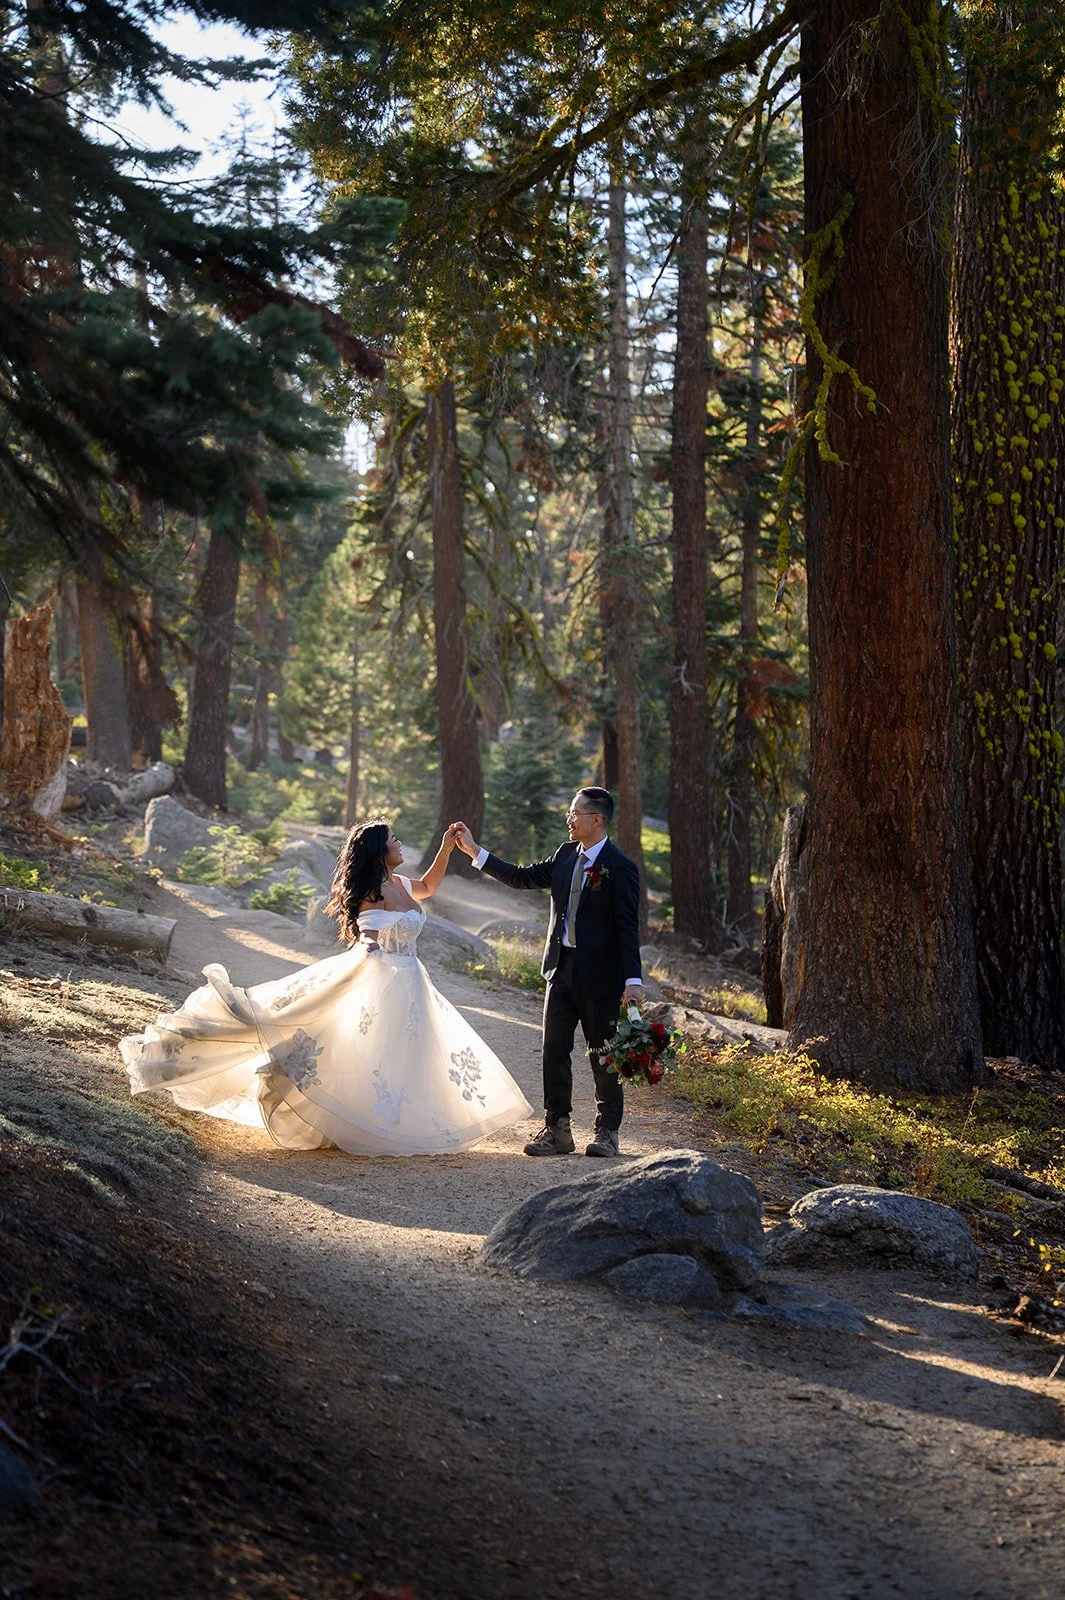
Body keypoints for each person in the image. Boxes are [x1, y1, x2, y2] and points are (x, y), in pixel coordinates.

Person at [120, 821, 532, 1155]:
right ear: (378, 850)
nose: (400, 843)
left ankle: (401, 1120)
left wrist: (447, 847)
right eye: (394, 839)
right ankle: (363, 1123)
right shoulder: (372, 893)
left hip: (412, 984)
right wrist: (370, 949)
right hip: (383, 979)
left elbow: (428, 887)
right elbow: (370, 933)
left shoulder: (401, 884)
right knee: (369, 1050)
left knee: (407, 1054)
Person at [450, 787, 642, 1158]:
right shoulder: (566, 855)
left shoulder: (620, 868)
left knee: (602, 1052)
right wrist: (475, 851)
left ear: (596, 820)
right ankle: (558, 1130)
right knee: (554, 1048)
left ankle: (607, 1133)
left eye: (575, 814)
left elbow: (627, 928)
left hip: (601, 978)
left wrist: (632, 982)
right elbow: (521, 877)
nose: (569, 819)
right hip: (561, 969)